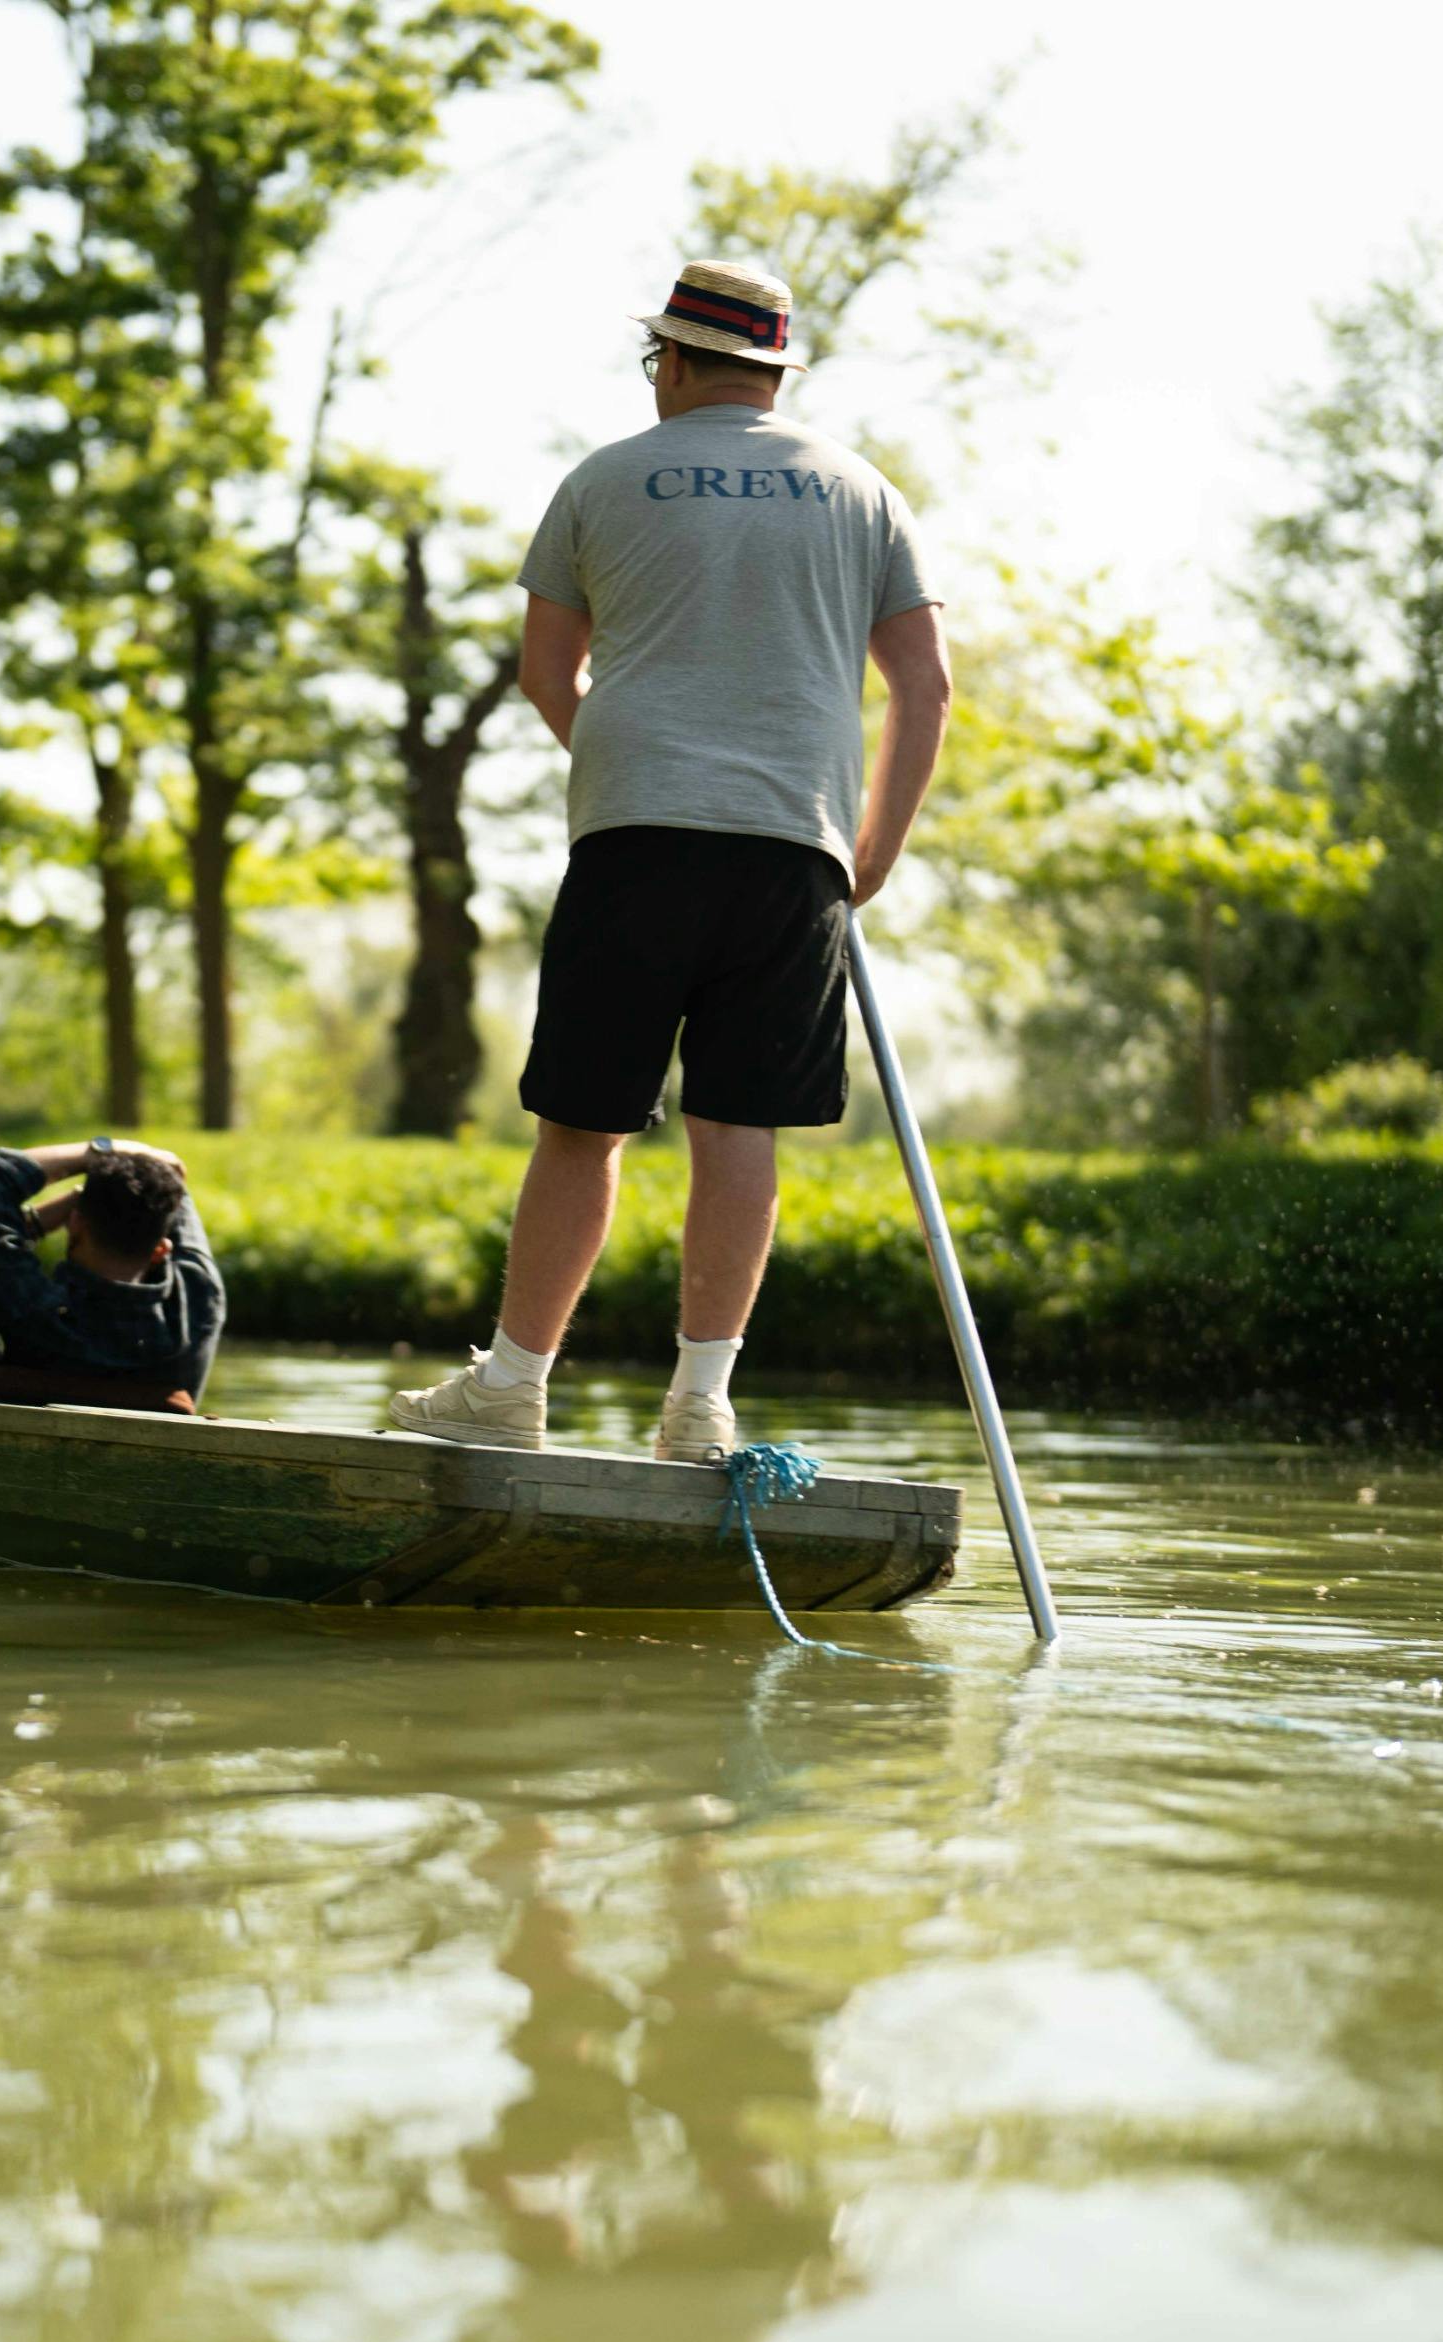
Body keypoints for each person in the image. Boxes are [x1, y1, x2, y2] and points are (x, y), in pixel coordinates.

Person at [388, 257, 948, 1464]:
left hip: (636, 836)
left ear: (680, 361)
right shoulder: (863, 492)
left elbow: (548, 673)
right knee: (738, 1124)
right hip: (795, 849)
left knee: (583, 1125)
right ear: (774, 371)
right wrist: (872, 853)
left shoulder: (602, 479)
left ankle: (515, 1385)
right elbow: (924, 684)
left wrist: (637, 762)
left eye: (658, 359)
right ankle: (699, 1407)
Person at [0, 1137, 223, 1402]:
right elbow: (168, 1185)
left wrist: (104, 1150)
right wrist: (144, 1162)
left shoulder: (33, 1312)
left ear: (75, 1223)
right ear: (160, 1250)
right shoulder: (199, 1305)